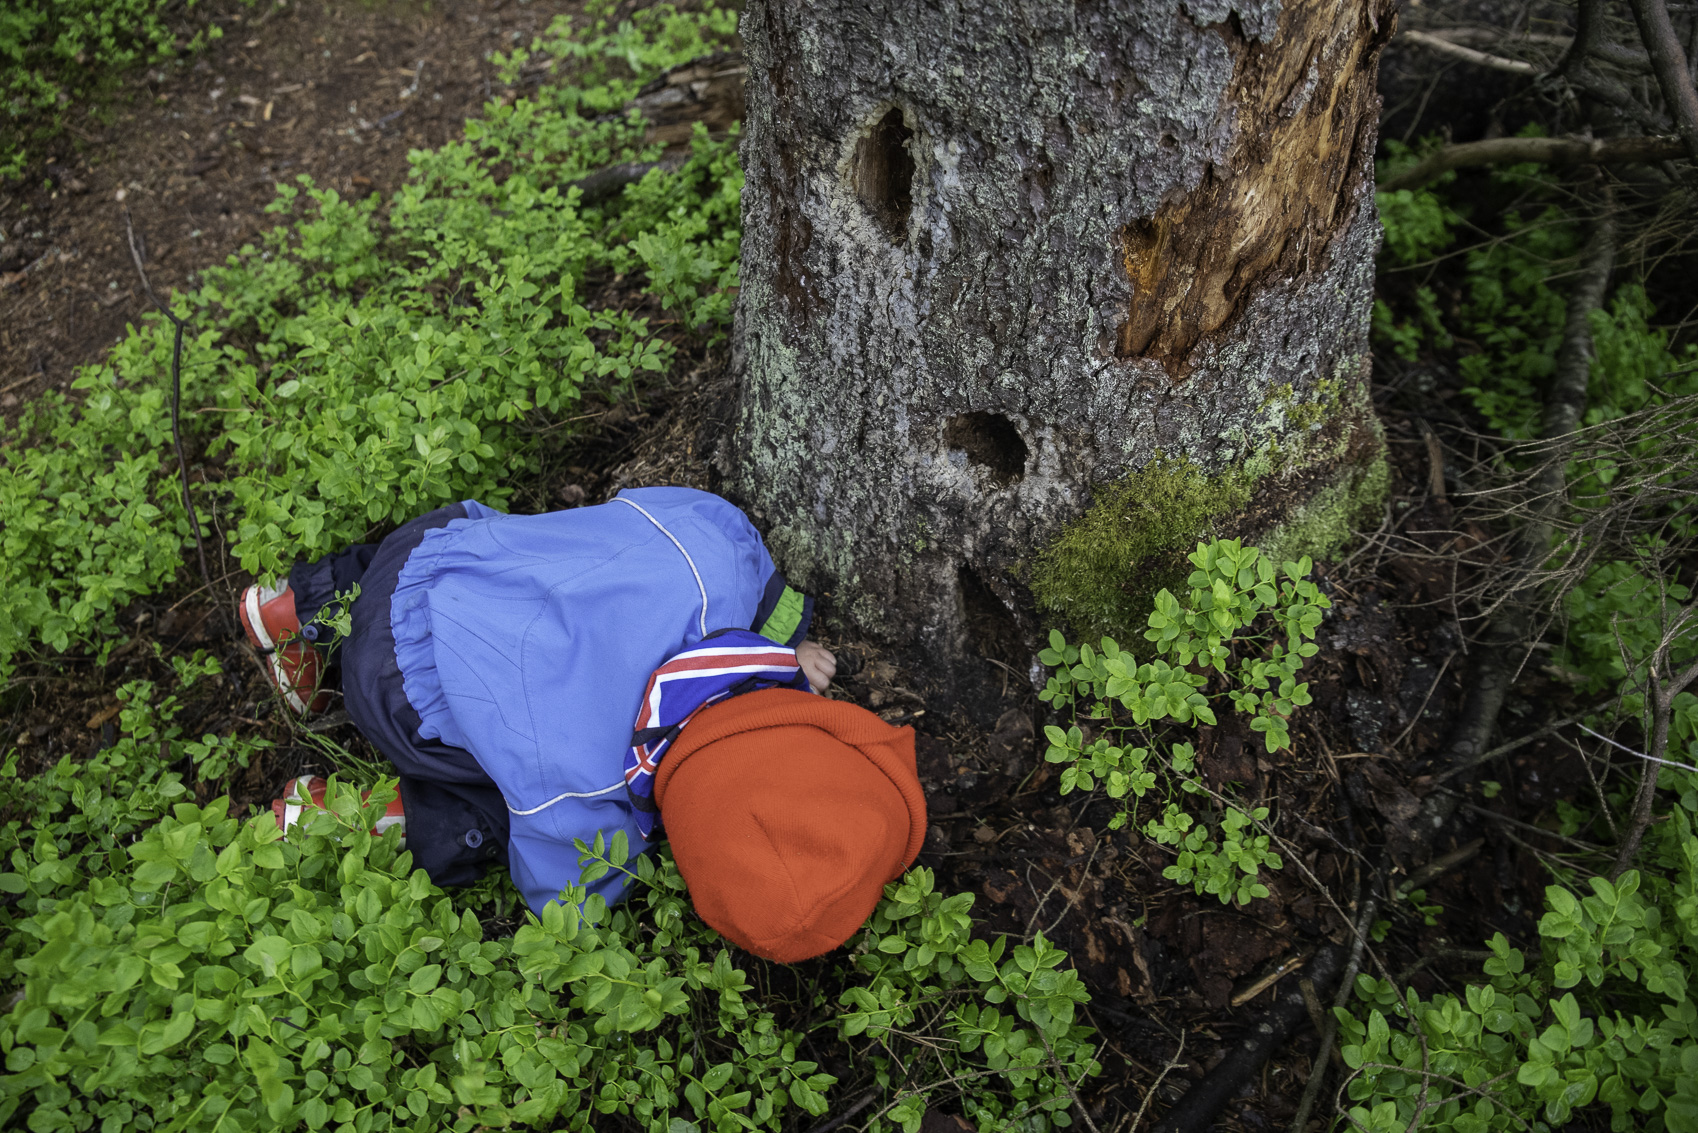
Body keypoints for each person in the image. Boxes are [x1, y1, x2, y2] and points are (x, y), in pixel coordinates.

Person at [239, 487, 926, 963]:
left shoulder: (717, 562)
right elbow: (562, 903)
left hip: (429, 556)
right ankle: (352, 817)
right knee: (499, 813)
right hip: (405, 698)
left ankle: (293, 611)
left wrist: (784, 643)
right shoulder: (590, 800)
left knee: (509, 551)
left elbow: (676, 517)